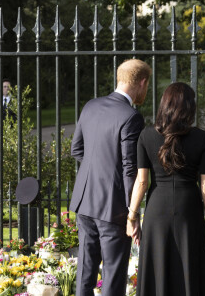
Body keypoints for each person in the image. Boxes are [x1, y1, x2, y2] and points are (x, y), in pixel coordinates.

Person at [70, 59, 151, 296]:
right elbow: (129, 168)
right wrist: (132, 213)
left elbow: (77, 149)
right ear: (142, 83)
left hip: (84, 203)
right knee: (113, 278)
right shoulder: (131, 116)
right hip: (113, 208)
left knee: (85, 273)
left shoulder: (90, 106)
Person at [126, 82, 205, 296]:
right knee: (191, 268)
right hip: (189, 209)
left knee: (157, 269)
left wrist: (132, 216)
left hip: (157, 209)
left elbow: (141, 182)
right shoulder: (202, 138)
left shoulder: (146, 136)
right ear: (190, 108)